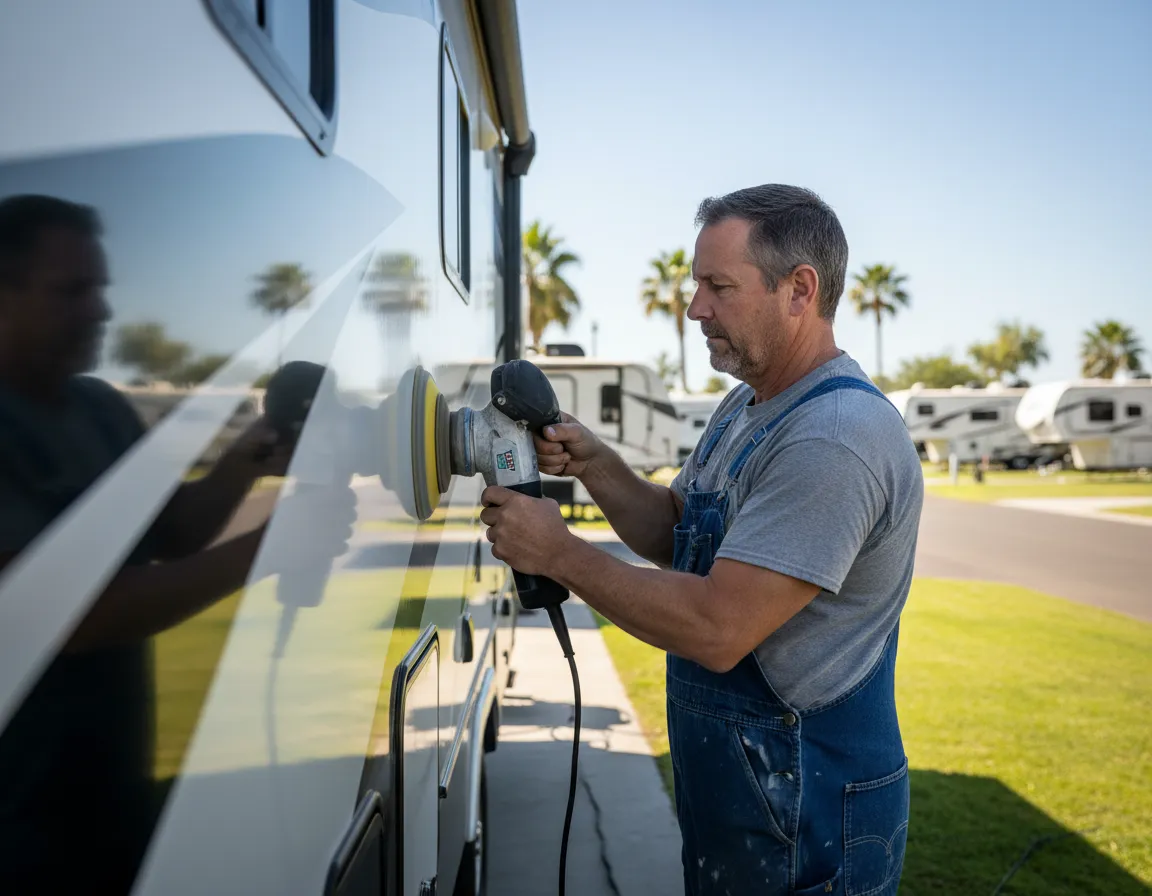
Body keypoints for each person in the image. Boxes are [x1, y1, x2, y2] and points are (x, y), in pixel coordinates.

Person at [480, 184, 924, 895]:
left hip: (809, 814)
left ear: (799, 290)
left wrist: (558, 553)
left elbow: (720, 627)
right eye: (695, 286)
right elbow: (677, 532)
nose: (694, 309)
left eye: (719, 286)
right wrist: (596, 463)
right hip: (749, 804)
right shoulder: (747, 405)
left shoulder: (835, 438)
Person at [0, 194, 355, 892]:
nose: (99, 310)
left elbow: (175, 530)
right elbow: (56, 612)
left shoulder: (96, 406)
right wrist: (271, 548)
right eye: (72, 291)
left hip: (113, 794)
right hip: (19, 820)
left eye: (100, 288)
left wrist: (247, 456)